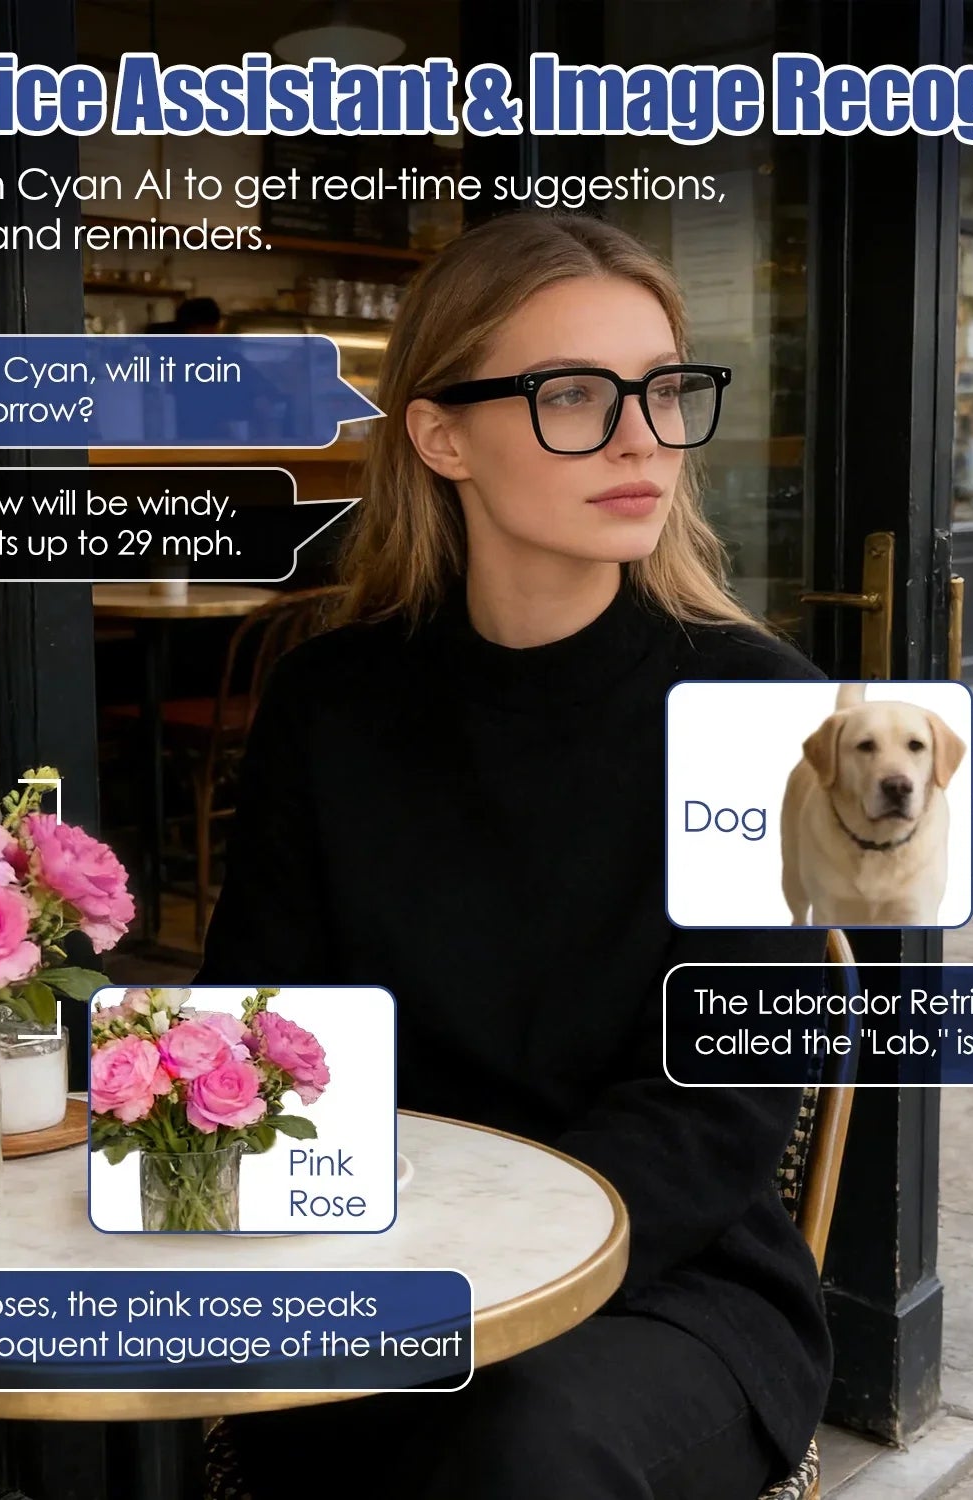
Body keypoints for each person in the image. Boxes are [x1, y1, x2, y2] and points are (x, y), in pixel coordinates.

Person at [196, 210, 832, 1499]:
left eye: (663, 391)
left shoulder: (758, 710)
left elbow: (721, 1106)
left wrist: (496, 1262)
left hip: (667, 1284)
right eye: (577, 395)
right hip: (377, 1246)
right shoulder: (331, 702)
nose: (644, 438)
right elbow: (260, 1024)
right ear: (441, 435)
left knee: (518, 1444)